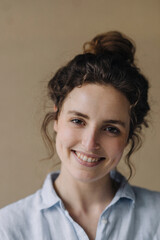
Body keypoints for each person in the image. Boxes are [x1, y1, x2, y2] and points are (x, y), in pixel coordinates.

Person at [0, 31, 160, 240]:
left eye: (111, 128)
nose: (90, 142)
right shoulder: (9, 228)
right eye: (78, 121)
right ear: (56, 117)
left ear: (129, 134)